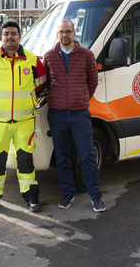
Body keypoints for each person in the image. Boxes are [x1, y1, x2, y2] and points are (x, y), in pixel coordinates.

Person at [0, 20, 46, 213]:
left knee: (25, 159)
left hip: (24, 120)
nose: (9, 37)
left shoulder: (32, 60)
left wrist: (29, 99)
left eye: (13, 33)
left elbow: (41, 83)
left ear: (19, 36)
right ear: (1, 37)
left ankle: (30, 194)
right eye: (6, 34)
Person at [43, 19, 105, 212]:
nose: (65, 35)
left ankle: (96, 197)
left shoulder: (87, 55)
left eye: (68, 31)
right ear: (57, 35)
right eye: (61, 32)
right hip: (57, 114)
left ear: (74, 33)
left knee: (86, 156)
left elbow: (92, 81)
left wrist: (81, 97)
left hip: (80, 114)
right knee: (62, 157)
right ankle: (68, 193)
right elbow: (45, 81)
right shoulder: (49, 56)